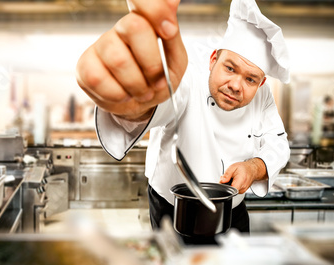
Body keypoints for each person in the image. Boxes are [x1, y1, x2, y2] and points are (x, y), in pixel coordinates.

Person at [76, 0, 291, 243]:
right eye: (230, 68)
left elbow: (278, 144)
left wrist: (253, 168)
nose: (236, 85)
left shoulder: (263, 97)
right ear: (213, 60)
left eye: (251, 79)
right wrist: (135, 104)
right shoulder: (189, 78)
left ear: (261, 83)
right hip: (173, 207)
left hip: (231, 209)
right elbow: (165, 101)